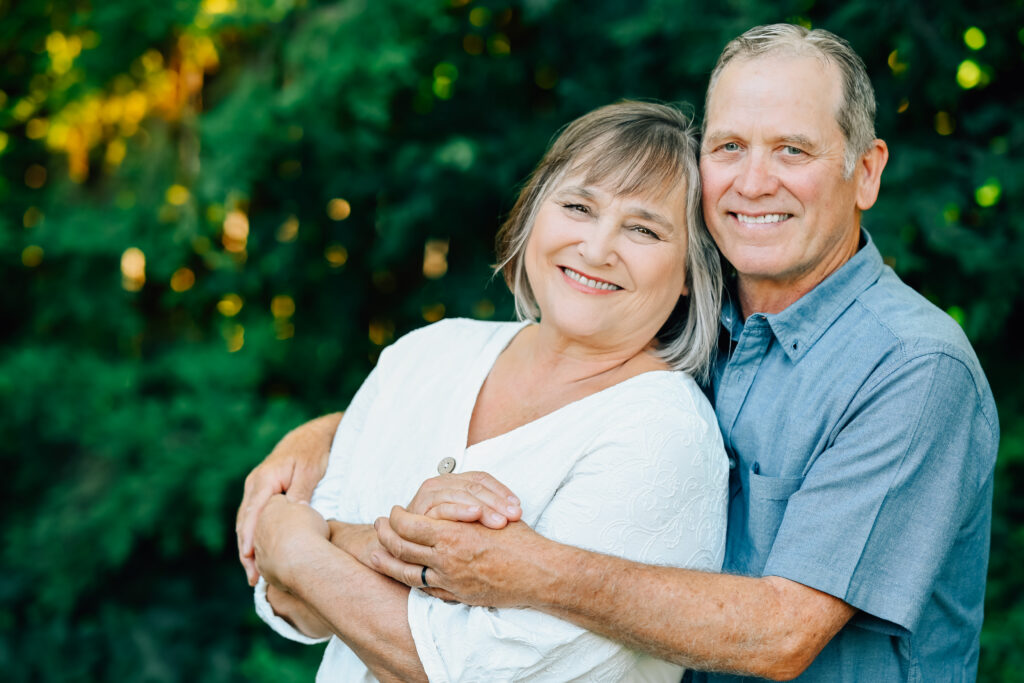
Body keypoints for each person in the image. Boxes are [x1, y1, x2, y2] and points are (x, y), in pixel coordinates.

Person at [240, 24, 1000, 681]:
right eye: (730, 146)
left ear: (864, 171)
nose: (754, 180)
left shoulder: (911, 369)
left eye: (793, 150)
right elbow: (526, 390)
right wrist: (327, 436)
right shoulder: (698, 324)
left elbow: (781, 632)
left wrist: (528, 568)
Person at [248, 100, 730, 681]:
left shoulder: (662, 434)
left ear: (689, 274)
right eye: (578, 206)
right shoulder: (426, 354)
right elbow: (287, 602)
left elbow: (479, 671)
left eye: (644, 229)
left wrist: (303, 549)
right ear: (534, 214)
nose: (598, 248)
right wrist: (312, 566)